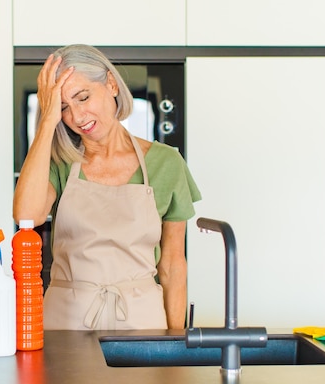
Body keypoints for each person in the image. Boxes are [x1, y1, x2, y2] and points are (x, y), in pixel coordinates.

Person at [13, 44, 201, 330]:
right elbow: (27, 216)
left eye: (83, 97)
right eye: (63, 107)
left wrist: (176, 347)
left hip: (143, 324)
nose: (76, 117)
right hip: (66, 326)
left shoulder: (166, 163)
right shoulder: (58, 161)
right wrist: (47, 122)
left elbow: (173, 266)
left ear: (111, 84)